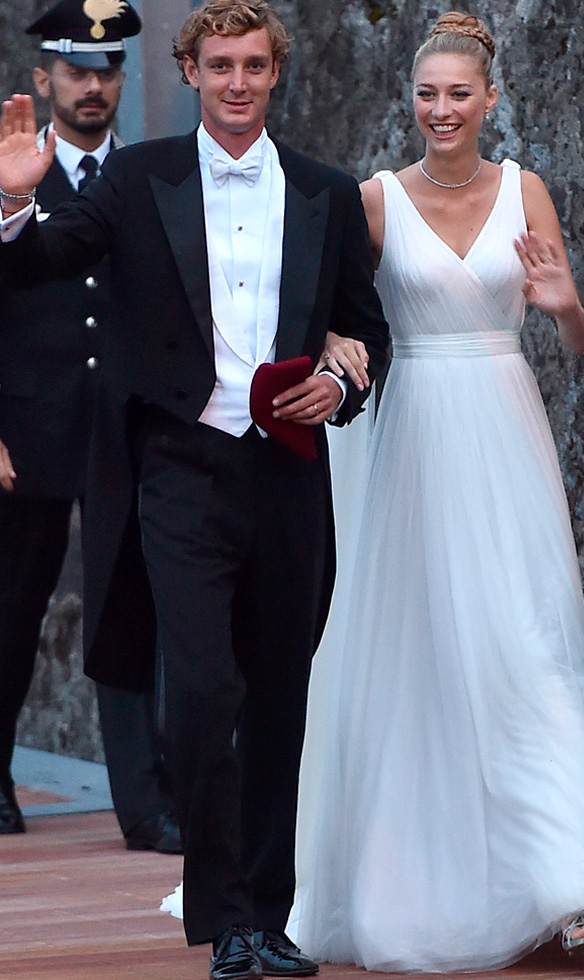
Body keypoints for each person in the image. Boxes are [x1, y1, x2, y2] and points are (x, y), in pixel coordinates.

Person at [0, 1, 389, 977]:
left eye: (255, 65)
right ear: (189, 70)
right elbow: (48, 258)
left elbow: (363, 327)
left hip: (290, 473)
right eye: (219, 65)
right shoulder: (138, 179)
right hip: (178, 469)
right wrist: (12, 205)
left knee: (278, 699)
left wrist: (340, 382)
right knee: (204, 688)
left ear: (274, 72)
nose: (238, 82)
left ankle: (268, 915)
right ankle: (222, 921)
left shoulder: (326, 193)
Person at [289, 12, 584, 973]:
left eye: (458, 94)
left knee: (530, 645)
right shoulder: (374, 201)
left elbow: (575, 339)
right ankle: (416, 878)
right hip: (413, 441)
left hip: (504, 428)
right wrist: (335, 357)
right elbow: (339, 322)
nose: (442, 110)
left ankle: (567, 885)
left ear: (491, 99)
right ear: (412, 100)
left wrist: (569, 314)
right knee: (423, 655)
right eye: (427, 94)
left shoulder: (528, 191)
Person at [0, 0, 181, 855]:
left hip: (124, 434)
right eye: (77, 71)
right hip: (25, 430)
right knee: (8, 613)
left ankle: (146, 806)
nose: (94, 86)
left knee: (129, 611)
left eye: (108, 72)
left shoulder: (140, 176)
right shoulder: (7, 175)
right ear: (44, 79)